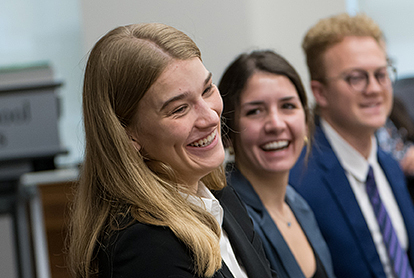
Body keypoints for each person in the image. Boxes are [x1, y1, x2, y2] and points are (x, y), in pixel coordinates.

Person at [68, 23, 276, 278]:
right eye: (179, 109)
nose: (210, 117)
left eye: (207, 89)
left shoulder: (221, 197)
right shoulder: (146, 245)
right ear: (126, 134)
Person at [289, 14, 414, 278]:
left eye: (381, 74)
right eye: (356, 78)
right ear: (319, 92)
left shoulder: (389, 166)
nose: (374, 88)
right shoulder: (300, 181)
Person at [219, 50, 334, 278]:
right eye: (255, 111)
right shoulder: (228, 219)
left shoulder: (298, 204)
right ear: (228, 130)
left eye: (288, 106)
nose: (276, 124)